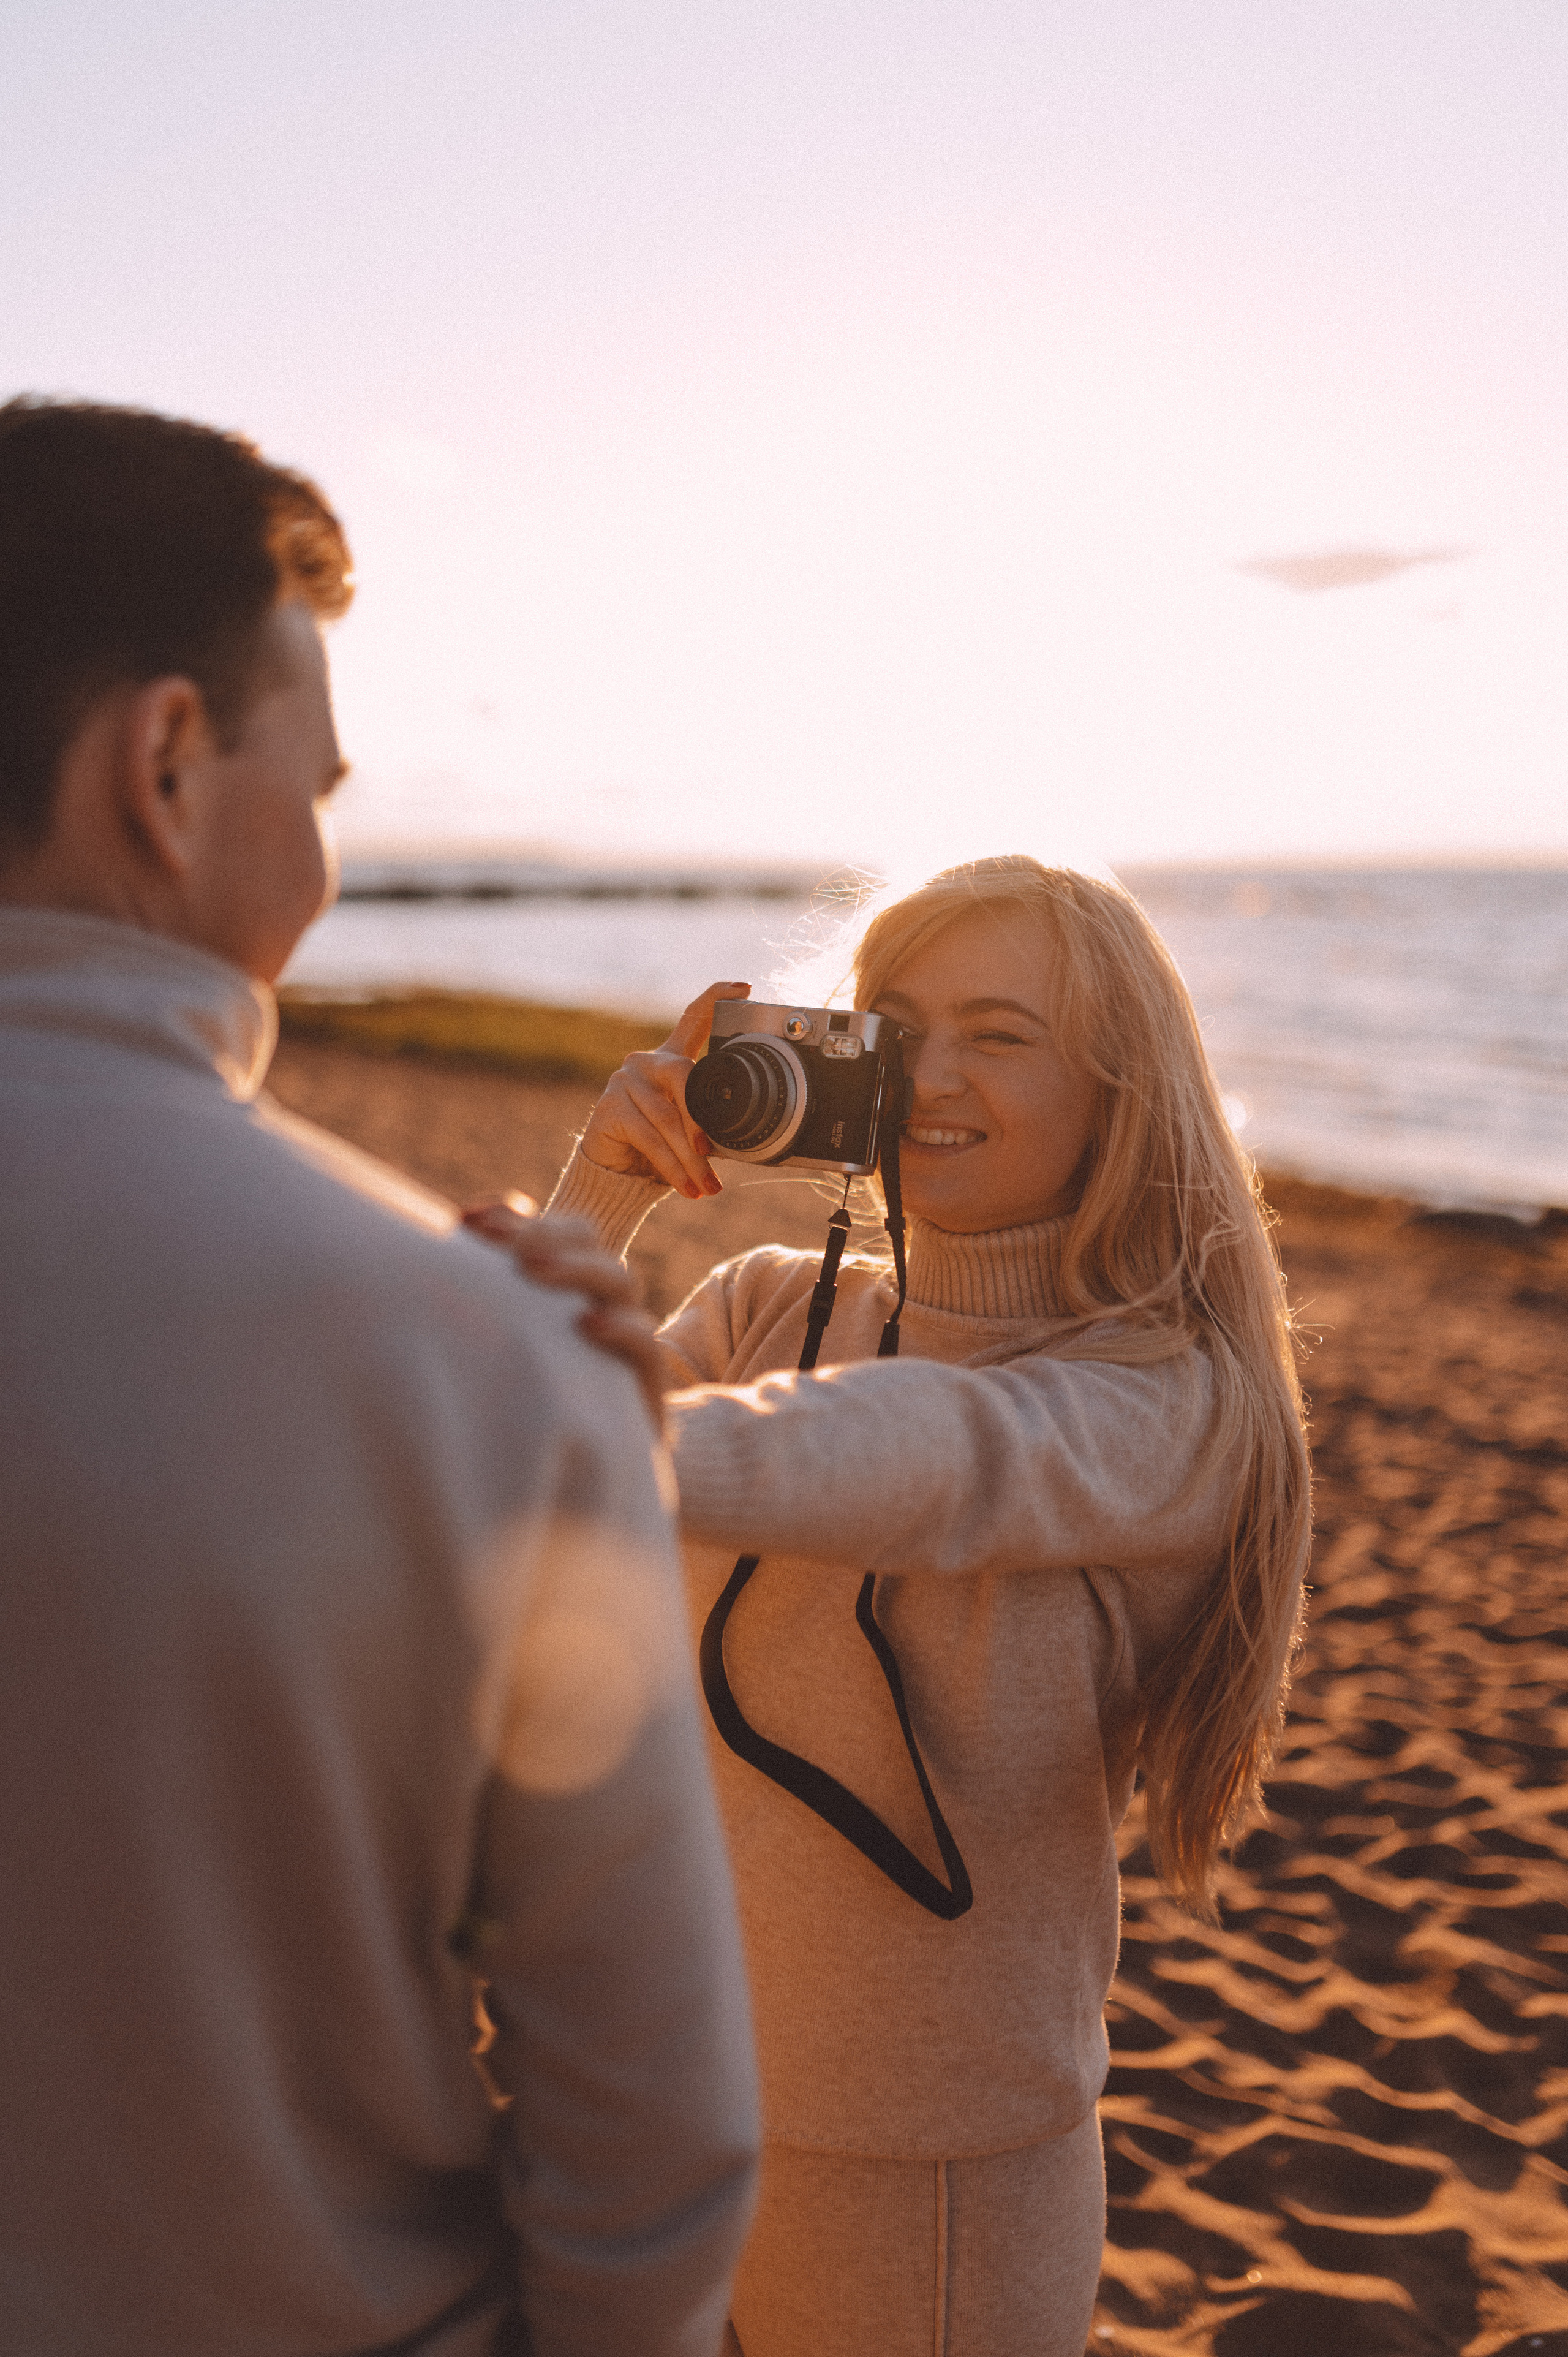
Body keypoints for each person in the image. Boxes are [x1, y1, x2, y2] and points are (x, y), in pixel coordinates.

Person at [0, 396, 759, 2357]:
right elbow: (654, 2144)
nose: (329, 856)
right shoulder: (493, 1370)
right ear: (163, 764)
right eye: (315, 782)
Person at [500, 857, 1312, 2357]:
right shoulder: (761, 1307)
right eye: (897, 1024)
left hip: (923, 2153)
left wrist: (631, 1444)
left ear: (1119, 1089)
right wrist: (602, 1185)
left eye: (999, 1033)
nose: (930, 1075)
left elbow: (934, 1459)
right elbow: (507, 1472)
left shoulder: (1165, 1398)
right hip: (655, 2080)